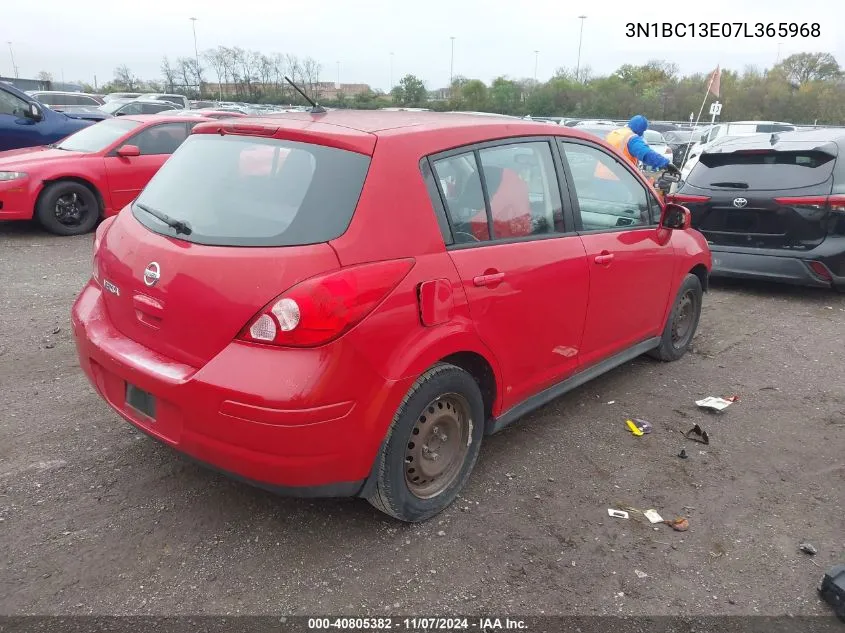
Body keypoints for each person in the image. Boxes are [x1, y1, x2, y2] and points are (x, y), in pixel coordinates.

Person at [604, 115, 681, 174]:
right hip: (619, 178)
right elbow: (647, 154)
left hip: (601, 175)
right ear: (641, 130)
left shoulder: (614, 133)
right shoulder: (631, 138)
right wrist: (666, 164)